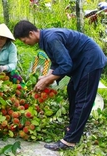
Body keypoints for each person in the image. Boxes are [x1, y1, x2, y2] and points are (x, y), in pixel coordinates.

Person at [13, 20, 107, 151]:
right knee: (72, 90)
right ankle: (74, 127)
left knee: (83, 99)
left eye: (24, 41)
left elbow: (66, 65)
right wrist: (46, 76)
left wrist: (46, 81)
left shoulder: (51, 39)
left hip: (91, 61)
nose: (26, 44)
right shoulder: (45, 40)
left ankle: (70, 141)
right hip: (82, 62)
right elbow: (58, 62)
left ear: (31, 34)